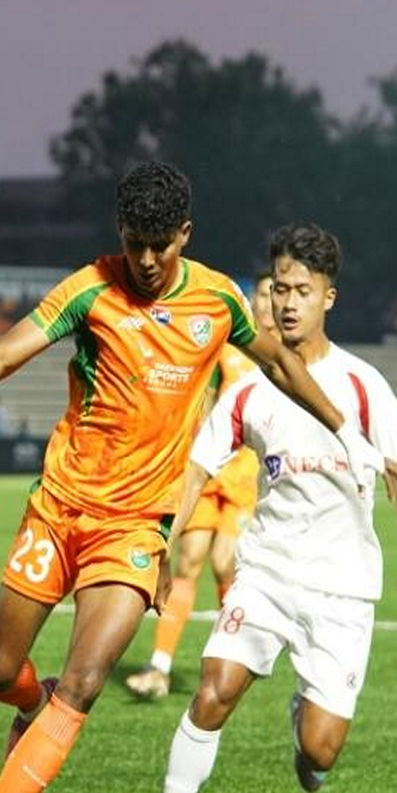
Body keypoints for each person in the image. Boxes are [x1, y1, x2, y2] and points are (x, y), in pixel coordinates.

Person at [0, 163, 383, 793]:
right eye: (135, 244)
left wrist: (343, 428)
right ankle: (33, 707)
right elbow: (3, 354)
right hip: (58, 510)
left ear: (184, 236)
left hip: (135, 529)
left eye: (161, 245)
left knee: (85, 683)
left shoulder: (219, 298)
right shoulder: (90, 289)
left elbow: (283, 364)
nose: (148, 260)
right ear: (118, 235)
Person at [127, 222, 397, 793]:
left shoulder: (361, 384)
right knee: (213, 689)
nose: (287, 303)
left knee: (322, 751)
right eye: (279, 290)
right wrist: (161, 544)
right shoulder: (248, 389)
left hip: (342, 589)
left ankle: (306, 728)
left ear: (330, 297)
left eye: (302, 290)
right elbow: (197, 472)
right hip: (264, 573)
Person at [127, 268, 278, 701]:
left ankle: (237, 661)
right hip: (212, 468)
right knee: (189, 559)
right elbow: (207, 399)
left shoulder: (283, 357)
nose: (266, 303)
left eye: (273, 295)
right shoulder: (230, 350)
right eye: (261, 295)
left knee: (224, 562)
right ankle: (159, 668)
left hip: (250, 477)